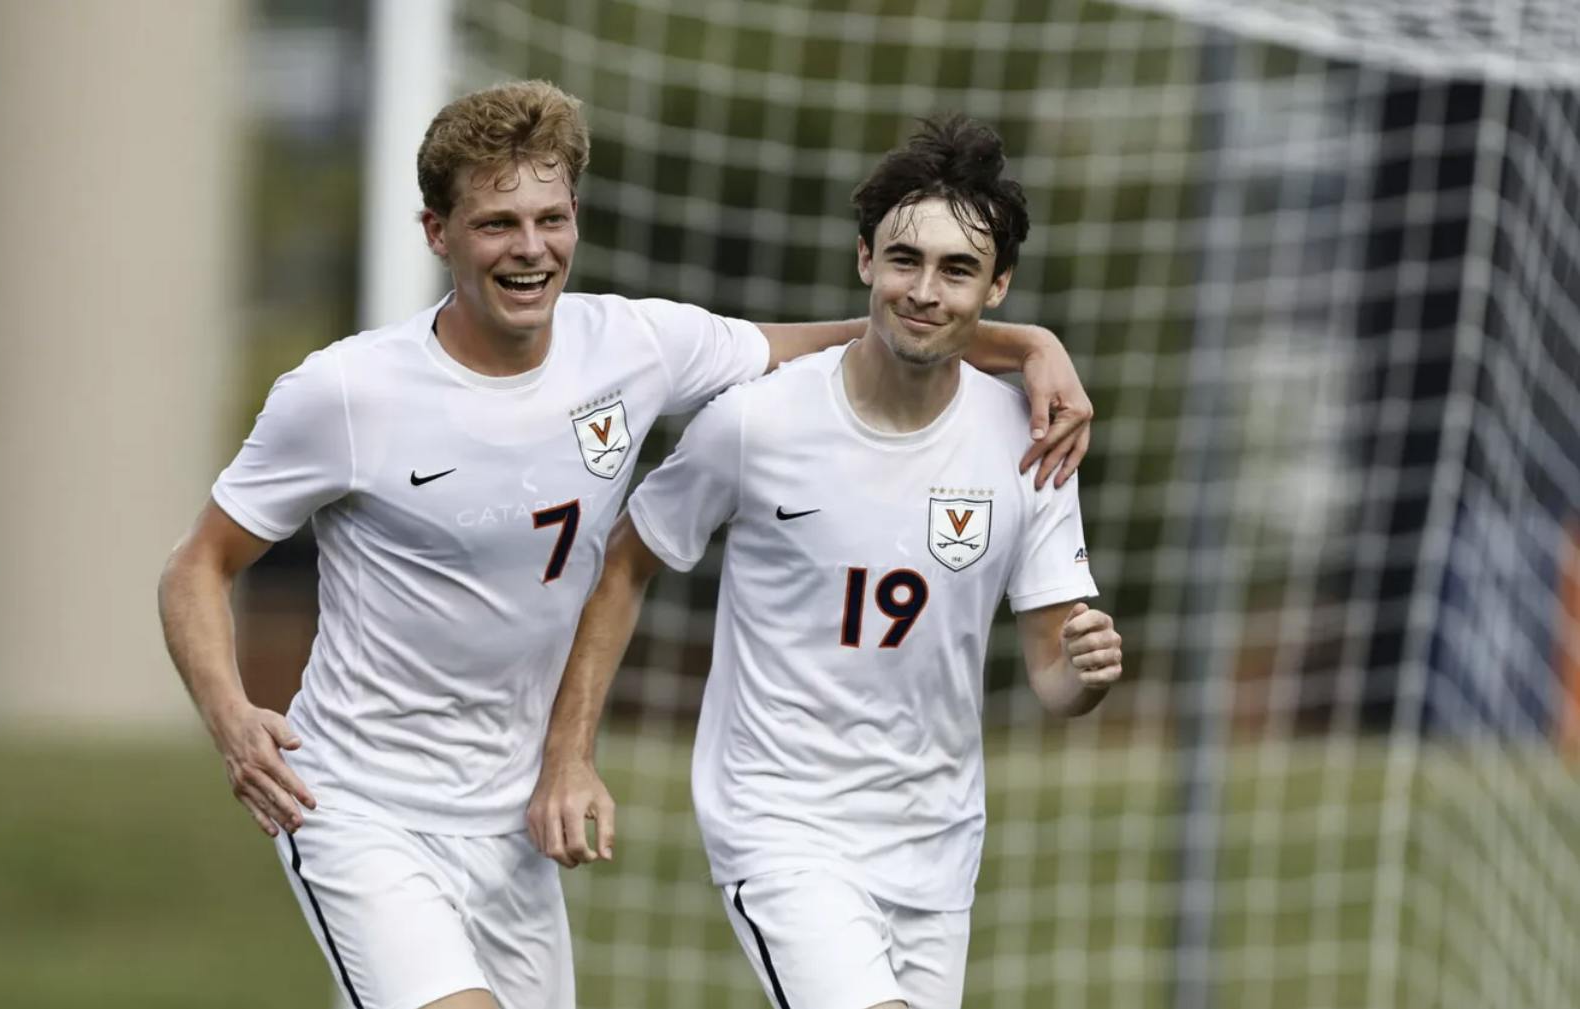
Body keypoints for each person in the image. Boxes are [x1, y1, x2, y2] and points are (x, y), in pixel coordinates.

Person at [158, 81, 1095, 1009]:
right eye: (495, 224)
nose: (530, 249)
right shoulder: (346, 394)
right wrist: (232, 715)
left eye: (550, 218)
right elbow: (197, 564)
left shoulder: (638, 345)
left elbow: (860, 338)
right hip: (359, 803)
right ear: (437, 233)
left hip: (512, 816)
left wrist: (1025, 345)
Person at [527, 114, 1124, 1009]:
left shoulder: (1031, 441)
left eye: (958, 268)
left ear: (997, 286)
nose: (925, 289)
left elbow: (1051, 671)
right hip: (781, 823)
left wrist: (1087, 673)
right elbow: (624, 562)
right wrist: (568, 754)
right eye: (904, 259)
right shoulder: (757, 422)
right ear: (864, 263)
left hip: (937, 840)